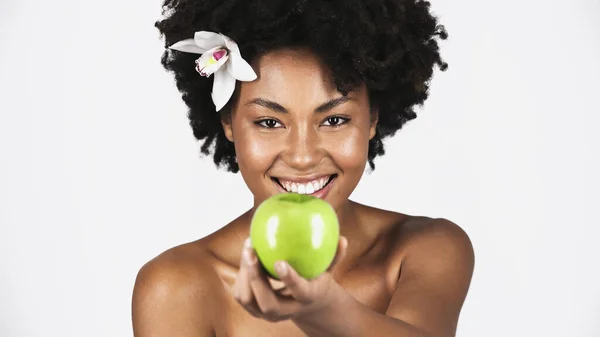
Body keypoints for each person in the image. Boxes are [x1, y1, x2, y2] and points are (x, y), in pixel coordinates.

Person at [132, 0, 475, 336]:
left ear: (372, 119)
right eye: (268, 122)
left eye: (335, 119)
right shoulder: (177, 287)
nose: (302, 157)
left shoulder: (424, 251)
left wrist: (323, 312)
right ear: (229, 123)